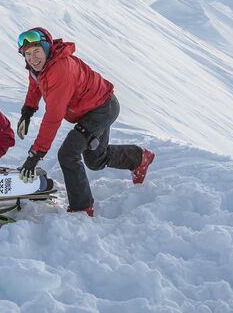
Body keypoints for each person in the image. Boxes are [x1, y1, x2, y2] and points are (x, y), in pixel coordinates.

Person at [15, 27, 154, 216]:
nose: (32, 58)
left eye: (36, 51)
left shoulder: (61, 69)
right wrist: (28, 111)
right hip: (89, 110)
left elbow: (53, 117)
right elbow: (35, 84)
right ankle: (138, 158)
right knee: (96, 160)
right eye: (27, 54)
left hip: (102, 109)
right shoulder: (39, 67)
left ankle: (82, 208)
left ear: (47, 48)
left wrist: (35, 155)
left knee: (68, 154)